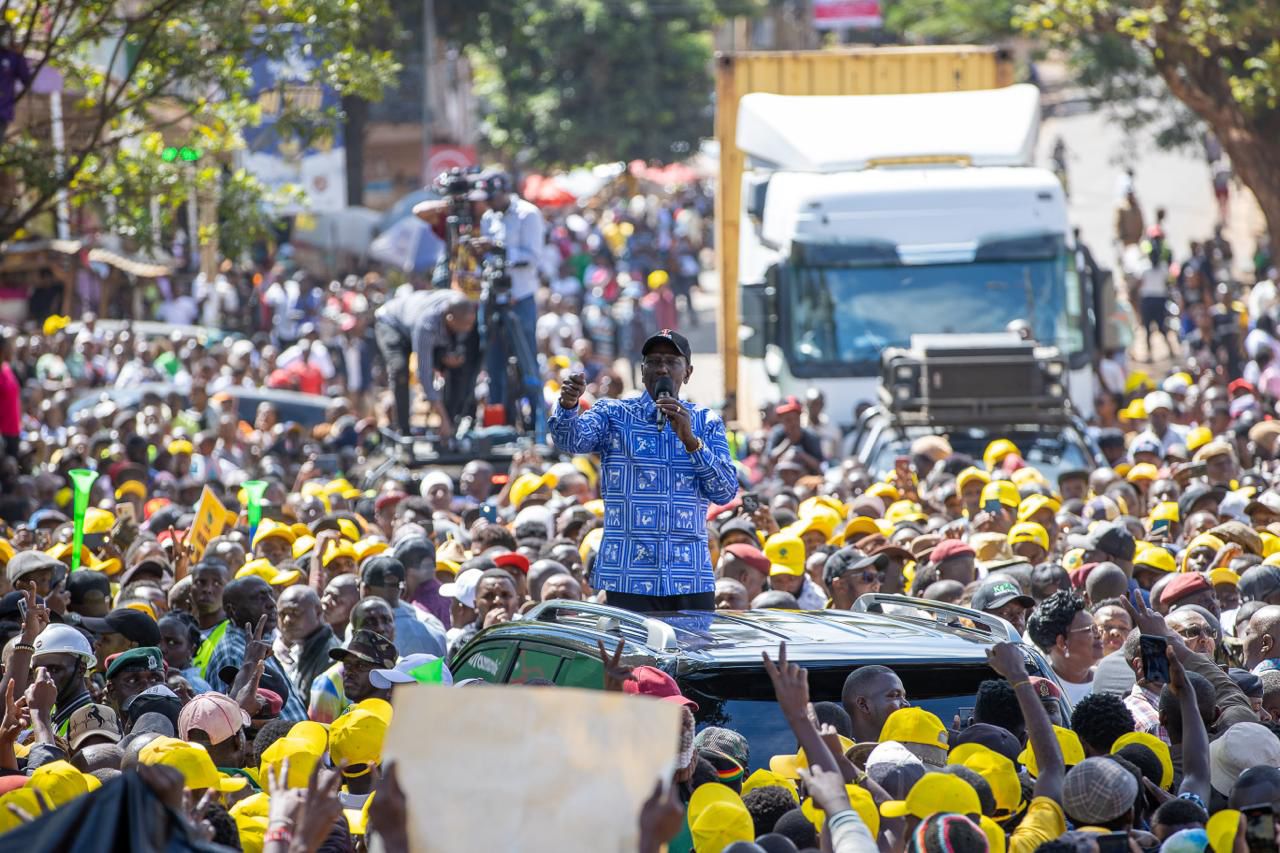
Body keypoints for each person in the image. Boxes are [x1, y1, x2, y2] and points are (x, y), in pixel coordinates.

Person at [550, 329, 738, 612]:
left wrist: (691, 442)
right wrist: (567, 406)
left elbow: (725, 491)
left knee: (693, 656)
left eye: (672, 361)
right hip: (628, 576)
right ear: (642, 371)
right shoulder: (613, 414)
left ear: (687, 372)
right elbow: (570, 440)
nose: (662, 367)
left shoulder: (706, 422)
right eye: (654, 361)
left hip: (688, 575)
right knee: (634, 658)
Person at [476, 172, 546, 420]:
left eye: (492, 197)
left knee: (527, 362)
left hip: (520, 298)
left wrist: (498, 249)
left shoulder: (528, 214)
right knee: (494, 365)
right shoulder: (488, 217)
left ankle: (539, 423)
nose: (489, 203)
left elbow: (533, 257)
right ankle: (499, 424)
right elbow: (487, 260)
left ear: (505, 191)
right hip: (494, 297)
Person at [373, 288, 478, 436]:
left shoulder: (461, 304)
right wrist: (442, 418)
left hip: (419, 324)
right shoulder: (426, 326)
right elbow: (424, 374)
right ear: (450, 318)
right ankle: (404, 431)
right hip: (392, 323)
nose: (468, 328)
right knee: (400, 369)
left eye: (470, 324)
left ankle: (451, 425)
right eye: (464, 325)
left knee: (457, 366)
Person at [1027, 590, 1103, 704]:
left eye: (1096, 627)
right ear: (1062, 643)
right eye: (1089, 629)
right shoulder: (1041, 691)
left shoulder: (1108, 679)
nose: (1099, 634)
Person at [272, 585, 340, 706]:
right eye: (282, 614)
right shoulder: (302, 646)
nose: (287, 620)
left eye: (295, 612)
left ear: (318, 611)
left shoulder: (330, 654)